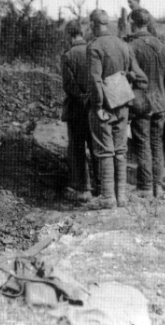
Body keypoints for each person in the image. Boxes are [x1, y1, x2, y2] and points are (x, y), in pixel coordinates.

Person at [85, 9, 147, 209]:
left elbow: (95, 80)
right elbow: (133, 74)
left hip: (104, 104)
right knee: (120, 150)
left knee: (104, 151)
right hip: (122, 101)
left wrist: (97, 106)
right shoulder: (123, 44)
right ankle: (121, 196)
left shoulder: (94, 46)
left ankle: (107, 197)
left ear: (94, 25)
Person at [126, 9, 165, 198]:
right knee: (157, 143)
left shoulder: (132, 46)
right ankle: (158, 186)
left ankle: (145, 187)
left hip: (142, 102)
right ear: (147, 23)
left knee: (143, 143)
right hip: (161, 102)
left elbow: (128, 78)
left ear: (133, 23)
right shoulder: (162, 46)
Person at [61, 20, 94, 202]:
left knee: (76, 148)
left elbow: (68, 85)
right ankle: (99, 186)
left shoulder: (68, 55)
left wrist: (81, 97)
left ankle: (82, 188)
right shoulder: (93, 51)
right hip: (94, 107)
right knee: (96, 146)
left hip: (76, 109)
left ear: (69, 35)